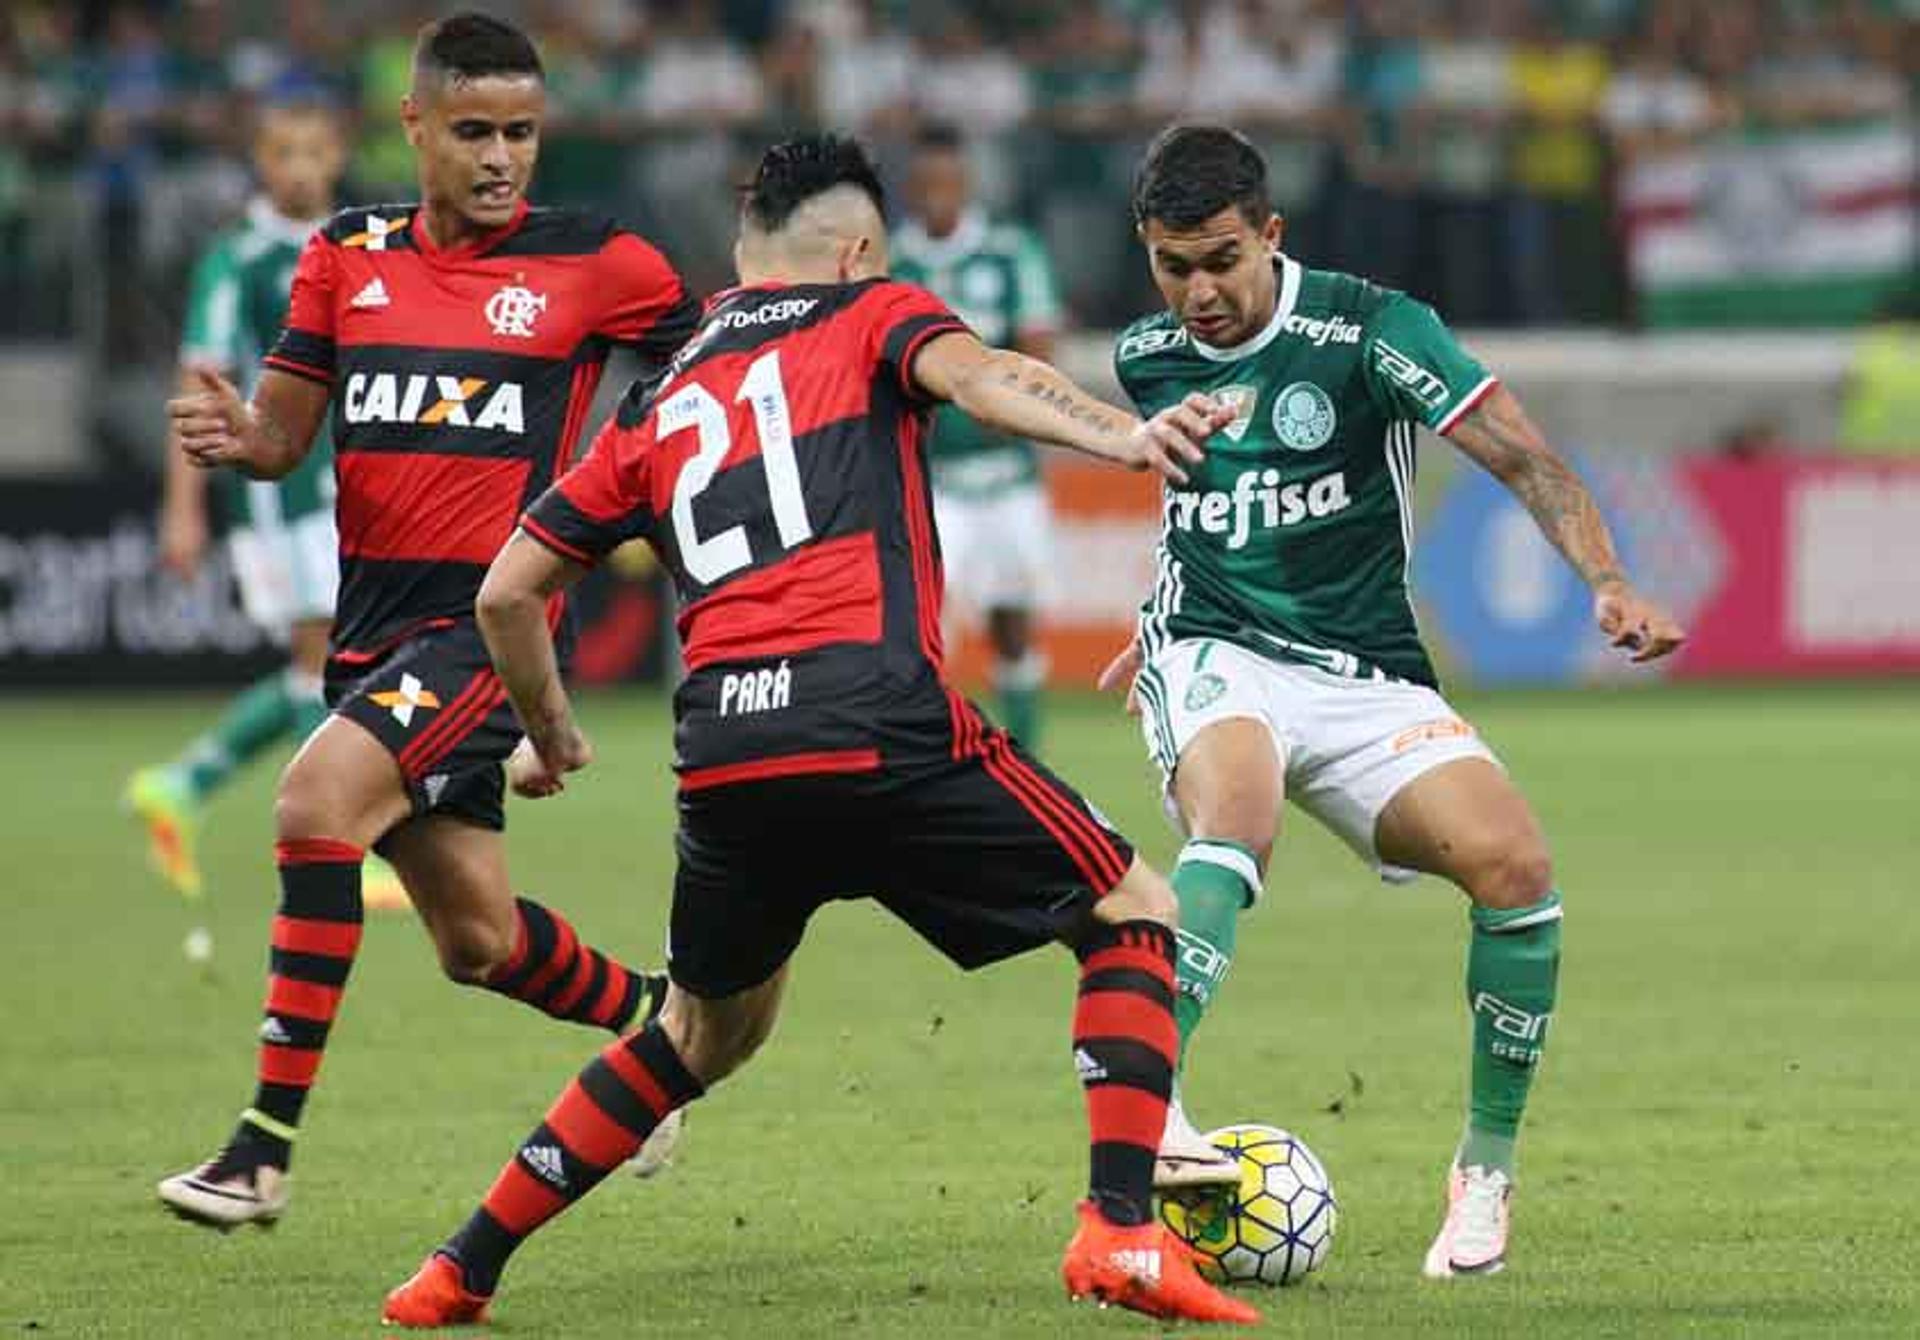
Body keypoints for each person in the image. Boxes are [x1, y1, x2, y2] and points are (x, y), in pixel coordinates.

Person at [379, 133, 1258, 1329]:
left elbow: (506, 592)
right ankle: (1119, 1231)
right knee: (1133, 913)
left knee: (699, 1032)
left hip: (729, 760)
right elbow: (989, 375)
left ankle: (458, 1267)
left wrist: (553, 731)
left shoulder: (670, 384)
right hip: (876, 720)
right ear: (854, 250)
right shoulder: (870, 313)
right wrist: (1122, 436)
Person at [1098, 126, 1684, 1277]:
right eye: (1173, 266)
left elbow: (1524, 459)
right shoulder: (1146, 357)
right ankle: (1150, 1110)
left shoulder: (1371, 331)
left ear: (1272, 234)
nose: (1200, 293)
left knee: (1515, 867)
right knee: (1238, 816)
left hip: (1363, 671)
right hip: (1215, 648)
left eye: (1222, 259)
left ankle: (1484, 1170)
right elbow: (1204, 512)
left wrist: (1609, 581)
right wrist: (1156, 622)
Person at [157, 11, 701, 1230]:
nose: (502, 155)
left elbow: (708, 371)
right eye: (474, 131)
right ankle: (655, 1022)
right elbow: (285, 432)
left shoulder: (601, 260)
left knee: (312, 804)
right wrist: (242, 445)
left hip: (484, 628)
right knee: (479, 938)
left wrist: (628, 487)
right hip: (370, 632)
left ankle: (260, 1150)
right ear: (414, 126)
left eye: (521, 131)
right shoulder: (344, 255)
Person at [125, 96, 408, 917]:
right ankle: (344, 845)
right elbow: (199, 384)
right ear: (260, 161)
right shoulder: (238, 260)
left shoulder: (363, 244)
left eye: (315, 150)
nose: (301, 167)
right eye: (284, 151)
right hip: (282, 496)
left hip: (348, 484)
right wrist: (184, 507)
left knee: (319, 668)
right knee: (330, 665)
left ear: (339, 152)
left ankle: (183, 782)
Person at [891, 123, 1062, 748]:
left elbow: (1040, 350)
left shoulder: (1009, 251)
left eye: (949, 181)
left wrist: (998, 400)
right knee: (923, 622)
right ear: (911, 189)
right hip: (931, 479)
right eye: (927, 182)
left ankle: (1026, 753)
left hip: (1008, 474)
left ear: (965, 184)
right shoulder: (895, 262)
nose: (939, 194)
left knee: (1014, 618)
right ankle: (924, 748)